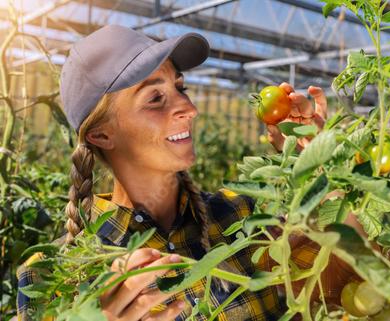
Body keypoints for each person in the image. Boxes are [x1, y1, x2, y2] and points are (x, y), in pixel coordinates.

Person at [16, 25, 369, 321]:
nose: (189, 107)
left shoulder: (243, 216)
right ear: (101, 134)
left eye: (180, 87)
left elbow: (344, 281)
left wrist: (323, 168)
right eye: (155, 98)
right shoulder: (51, 275)